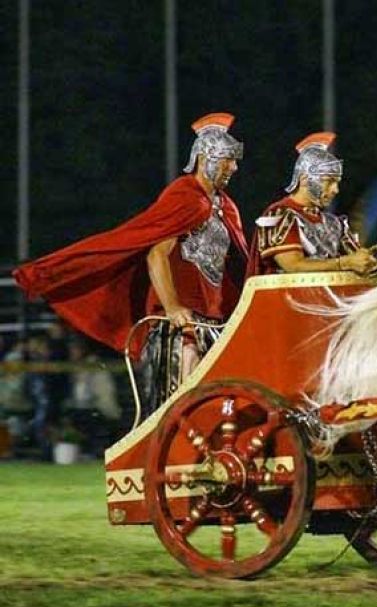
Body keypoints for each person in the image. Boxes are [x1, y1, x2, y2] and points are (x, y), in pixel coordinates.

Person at [13, 113, 249, 412]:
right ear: (205, 158)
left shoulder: (224, 206)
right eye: (227, 159)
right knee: (174, 412)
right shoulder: (184, 195)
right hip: (176, 326)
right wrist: (173, 306)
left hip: (212, 322)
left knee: (214, 410)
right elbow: (157, 253)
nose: (234, 167)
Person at [249, 132, 377, 276]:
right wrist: (344, 263)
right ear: (304, 179)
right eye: (329, 182)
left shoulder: (334, 223)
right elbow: (293, 265)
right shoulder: (279, 214)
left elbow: (360, 260)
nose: (335, 190)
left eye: (336, 183)